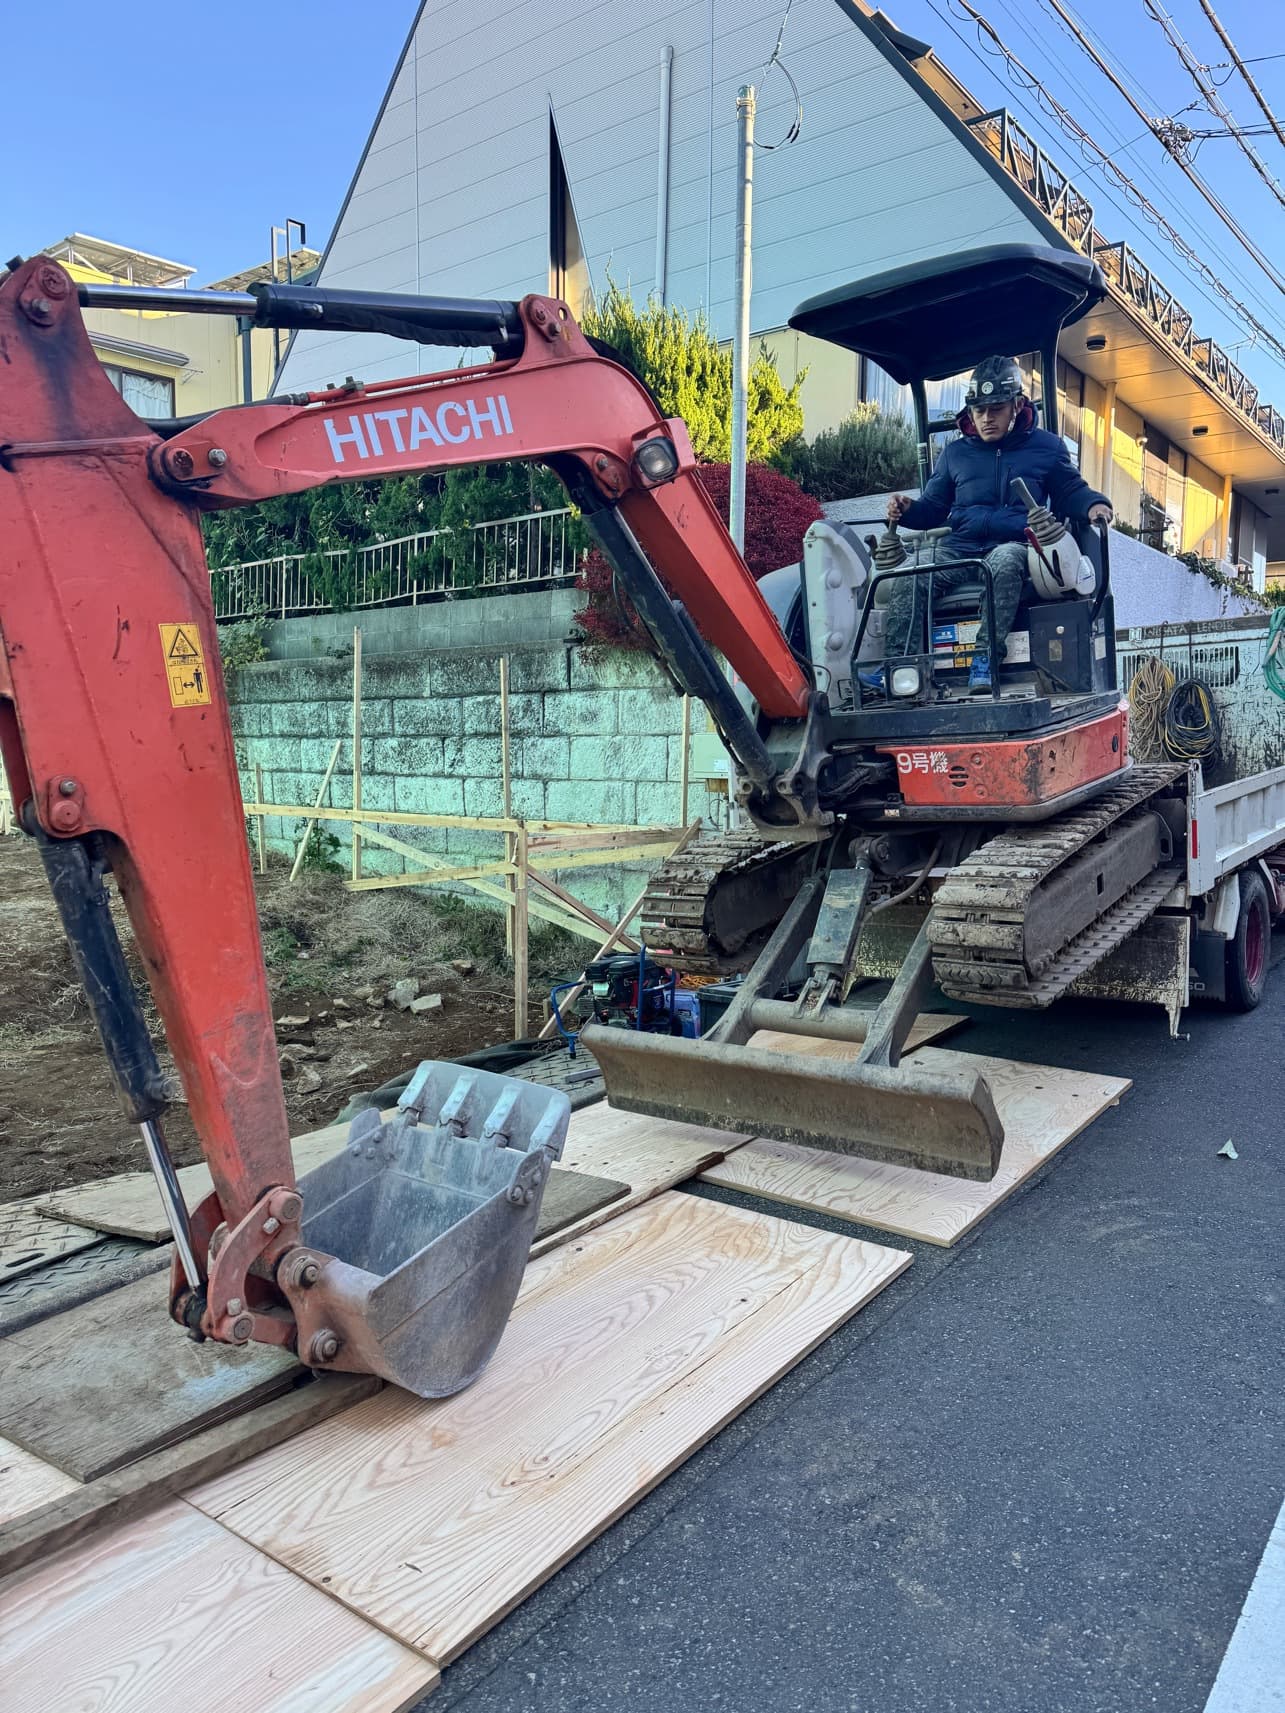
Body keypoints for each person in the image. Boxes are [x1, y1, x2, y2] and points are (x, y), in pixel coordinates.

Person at [882, 355, 1113, 692]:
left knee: (1003, 562)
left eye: (996, 409)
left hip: (1015, 544)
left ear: (1017, 405)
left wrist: (1094, 505)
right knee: (912, 572)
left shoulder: (1047, 448)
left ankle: (984, 659)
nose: (986, 418)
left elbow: (1070, 490)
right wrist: (908, 509)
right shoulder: (955, 454)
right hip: (960, 548)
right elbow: (933, 508)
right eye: (979, 410)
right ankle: (898, 671)